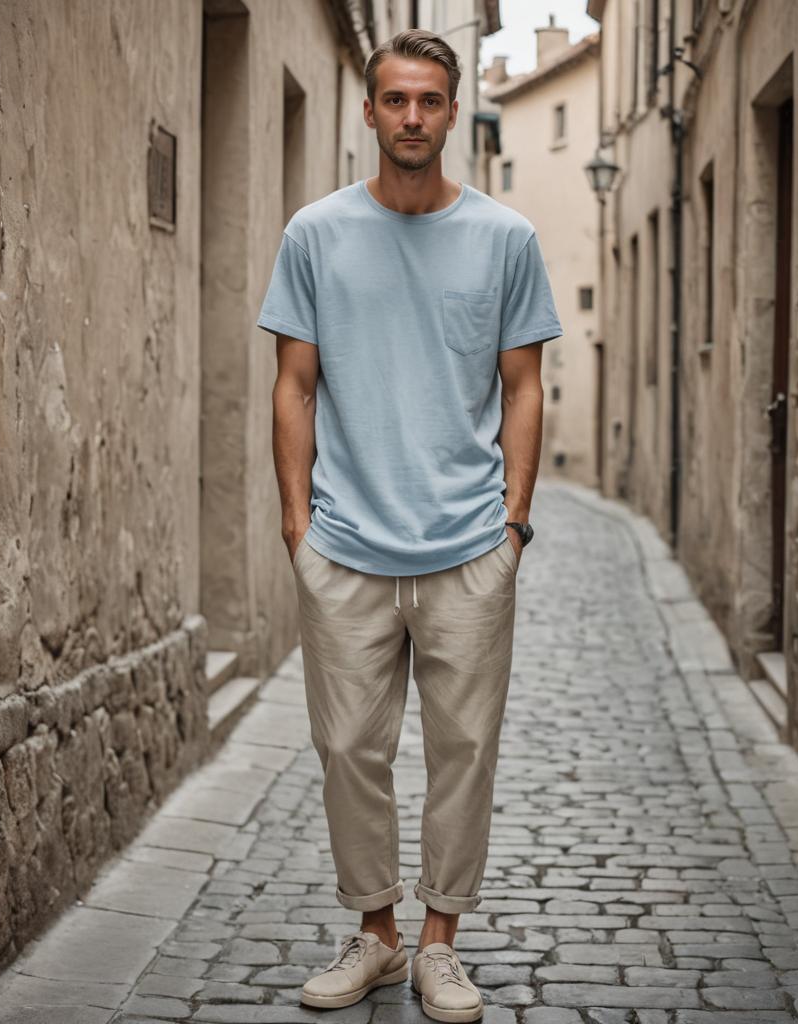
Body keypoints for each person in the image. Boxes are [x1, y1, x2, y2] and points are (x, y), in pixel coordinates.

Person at [256, 27, 562, 1024]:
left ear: (452, 108)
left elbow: (523, 388)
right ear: (370, 110)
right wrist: (298, 527)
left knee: (463, 749)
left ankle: (440, 944)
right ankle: (375, 935)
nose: (413, 118)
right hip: (344, 546)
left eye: (430, 101)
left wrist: (511, 528)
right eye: (396, 100)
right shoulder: (315, 233)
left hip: (468, 547)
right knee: (349, 747)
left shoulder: (505, 239)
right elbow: (293, 385)